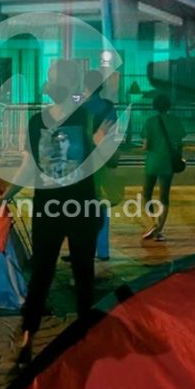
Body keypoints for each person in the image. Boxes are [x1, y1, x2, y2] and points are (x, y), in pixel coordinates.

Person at [0, 67, 110, 364]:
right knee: (74, 272)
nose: (48, 82)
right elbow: (32, 165)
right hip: (72, 206)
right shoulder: (66, 119)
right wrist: (6, 196)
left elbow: (29, 167)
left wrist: (5, 196)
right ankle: (71, 334)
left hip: (58, 207)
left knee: (52, 273)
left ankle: (33, 334)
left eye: (50, 78)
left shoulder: (59, 120)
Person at [81, 70, 118, 261]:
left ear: (86, 86)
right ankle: (103, 250)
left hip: (82, 161)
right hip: (102, 160)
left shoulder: (80, 107)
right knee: (101, 206)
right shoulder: (110, 108)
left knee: (79, 207)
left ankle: (80, 248)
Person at [141, 93, 185, 241]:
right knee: (164, 197)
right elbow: (179, 143)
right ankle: (159, 229)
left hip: (153, 162)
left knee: (147, 194)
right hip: (168, 163)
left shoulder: (150, 122)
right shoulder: (176, 121)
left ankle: (153, 222)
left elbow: (146, 146)